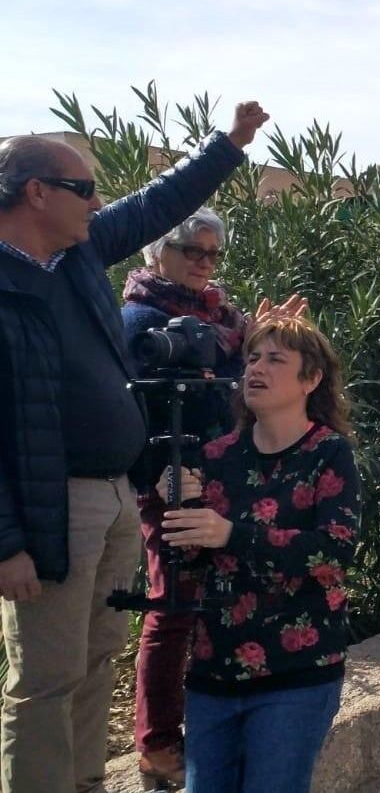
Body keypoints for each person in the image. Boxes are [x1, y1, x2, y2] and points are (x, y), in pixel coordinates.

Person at [0, 102, 267, 793]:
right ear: (36, 193)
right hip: (49, 505)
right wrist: (6, 542)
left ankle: (86, 784)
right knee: (45, 682)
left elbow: (159, 202)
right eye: (84, 189)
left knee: (92, 666)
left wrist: (229, 145)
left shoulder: (79, 254)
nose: (99, 203)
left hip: (115, 493)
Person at [158, 314, 359, 793]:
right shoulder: (214, 455)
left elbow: (332, 553)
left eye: (275, 359)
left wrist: (230, 534)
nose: (256, 369)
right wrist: (176, 509)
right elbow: (187, 563)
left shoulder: (328, 453)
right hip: (214, 671)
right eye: (251, 358)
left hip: (296, 675)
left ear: (311, 379)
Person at [121, 206, 249, 789]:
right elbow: (126, 413)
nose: (204, 263)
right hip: (170, 481)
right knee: (171, 606)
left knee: (214, 602)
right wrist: (157, 476)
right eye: (191, 251)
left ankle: (206, 723)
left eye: (212, 253)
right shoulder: (137, 319)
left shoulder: (219, 317)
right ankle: (156, 744)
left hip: (221, 477)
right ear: (158, 252)